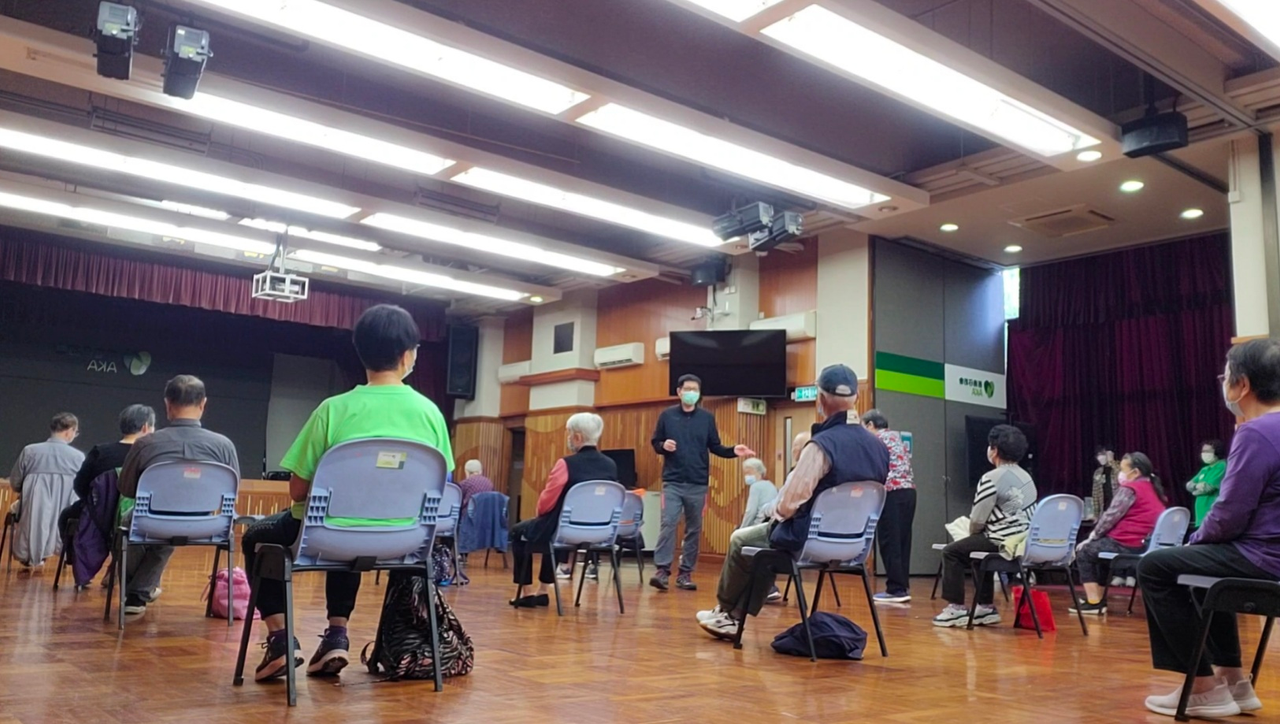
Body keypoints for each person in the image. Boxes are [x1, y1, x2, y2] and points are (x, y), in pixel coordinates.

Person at [244, 304, 451, 682]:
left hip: (328, 535)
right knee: (353, 538)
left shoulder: (332, 410)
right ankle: (336, 636)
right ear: (408, 355)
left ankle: (281, 640)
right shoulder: (431, 414)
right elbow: (441, 483)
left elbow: (297, 491)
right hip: (405, 540)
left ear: (361, 352)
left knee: (257, 537)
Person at [1138, 339, 1280, 718]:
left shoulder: (1256, 432)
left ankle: (1202, 687)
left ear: (1243, 384)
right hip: (1269, 557)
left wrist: (1195, 541)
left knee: (1154, 566)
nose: (1224, 383)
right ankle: (1233, 679)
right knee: (1203, 568)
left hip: (1263, 559)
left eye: (1225, 376)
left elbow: (1229, 514)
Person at [696, 364, 889, 639]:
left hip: (809, 541)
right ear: (857, 398)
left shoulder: (821, 445)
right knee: (766, 543)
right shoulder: (880, 448)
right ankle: (733, 616)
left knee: (744, 539)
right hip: (856, 546)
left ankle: (727, 613)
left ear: (820, 399)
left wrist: (773, 514)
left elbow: (788, 505)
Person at [117, 376, 238, 617]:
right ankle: (140, 592)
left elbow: (127, 489)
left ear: (167, 404)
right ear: (203, 404)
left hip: (152, 520)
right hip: (207, 524)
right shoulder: (224, 446)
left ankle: (136, 592)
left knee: (131, 521)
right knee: (169, 532)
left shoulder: (145, 444)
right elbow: (231, 492)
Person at [649, 374, 755, 592]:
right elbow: (655, 442)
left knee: (694, 528)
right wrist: (662, 446)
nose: (691, 393)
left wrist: (733, 451)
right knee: (668, 523)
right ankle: (662, 571)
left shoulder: (706, 418)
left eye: (695, 389)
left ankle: (685, 573)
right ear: (679, 392)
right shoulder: (667, 416)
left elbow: (715, 446)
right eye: (687, 389)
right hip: (672, 481)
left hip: (697, 483)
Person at [933, 424, 1037, 628]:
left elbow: (978, 519)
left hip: (1000, 539)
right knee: (978, 550)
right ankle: (985, 607)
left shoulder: (991, 478)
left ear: (994, 450)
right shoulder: (1027, 477)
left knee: (951, 552)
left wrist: (971, 533)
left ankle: (956, 608)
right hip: (1024, 539)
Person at [509, 413, 616, 607]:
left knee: (520, 531)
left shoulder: (566, 464)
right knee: (559, 530)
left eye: (569, 434)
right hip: (599, 532)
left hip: (562, 530)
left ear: (577, 437)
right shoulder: (611, 465)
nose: (568, 438)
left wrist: (540, 514)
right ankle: (543, 590)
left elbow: (546, 503)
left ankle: (527, 593)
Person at [1069, 452, 1167, 615]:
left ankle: (1094, 602)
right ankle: (1098, 599)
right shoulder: (1154, 489)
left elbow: (1110, 516)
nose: (1120, 474)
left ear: (1135, 472)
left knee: (1084, 551)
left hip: (1128, 543)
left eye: (1122, 469)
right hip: (1144, 543)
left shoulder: (1130, 489)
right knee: (1099, 553)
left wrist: (1092, 536)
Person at [7, 412, 84, 568]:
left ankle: (31, 555)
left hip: (32, 511)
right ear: (70, 431)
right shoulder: (78, 457)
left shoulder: (30, 451)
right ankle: (63, 554)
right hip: (64, 514)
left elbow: (15, 482)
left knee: (26, 508)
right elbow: (82, 488)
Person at [861, 409, 916, 604]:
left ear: (870, 425)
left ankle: (895, 589)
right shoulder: (896, 438)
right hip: (909, 492)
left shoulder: (875, 440)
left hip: (891, 493)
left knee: (889, 541)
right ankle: (902, 586)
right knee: (902, 541)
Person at [73, 404, 156, 503]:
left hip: (100, 510)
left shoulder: (100, 452)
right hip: (137, 511)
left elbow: (80, 485)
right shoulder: (152, 456)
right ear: (145, 427)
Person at [1186, 440, 1228, 528]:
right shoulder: (1204, 469)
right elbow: (1188, 485)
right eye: (1203, 451)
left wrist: (1195, 491)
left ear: (1217, 452)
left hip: (1212, 512)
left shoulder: (1222, 466)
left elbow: (1209, 488)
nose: (1205, 454)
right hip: (1201, 514)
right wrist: (1197, 486)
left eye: (1208, 451)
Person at [739, 457, 777, 529]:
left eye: (749, 473)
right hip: (770, 524)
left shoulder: (755, 486)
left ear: (759, 472)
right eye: (745, 474)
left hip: (759, 525)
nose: (746, 476)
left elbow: (751, 512)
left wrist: (741, 529)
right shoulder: (771, 485)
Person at [1091, 445, 1121, 521]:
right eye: (1098, 455)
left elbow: (1121, 473)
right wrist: (1096, 514)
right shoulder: (1098, 472)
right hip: (1104, 510)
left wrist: (1111, 461)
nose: (1100, 457)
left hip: (1118, 509)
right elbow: (1095, 494)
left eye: (1102, 454)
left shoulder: (1119, 466)